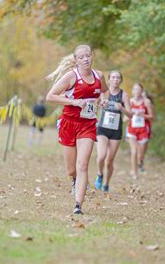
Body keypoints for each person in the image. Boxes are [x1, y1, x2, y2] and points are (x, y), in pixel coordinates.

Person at [46, 45, 108, 214]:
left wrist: (103, 100)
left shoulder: (99, 76)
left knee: (83, 164)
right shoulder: (71, 76)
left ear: (92, 56)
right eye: (81, 57)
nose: (86, 59)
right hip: (69, 123)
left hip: (87, 125)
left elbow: (105, 91)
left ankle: (78, 205)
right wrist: (73, 102)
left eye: (88, 55)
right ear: (76, 60)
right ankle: (74, 179)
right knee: (72, 169)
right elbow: (50, 96)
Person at [94, 70, 132, 192]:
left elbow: (131, 115)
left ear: (120, 80)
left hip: (116, 131)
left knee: (109, 161)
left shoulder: (124, 95)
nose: (115, 79)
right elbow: (94, 106)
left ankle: (106, 184)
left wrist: (122, 108)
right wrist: (100, 105)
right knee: (101, 156)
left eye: (118, 78)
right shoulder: (104, 93)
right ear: (109, 80)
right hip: (102, 129)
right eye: (113, 77)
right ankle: (100, 174)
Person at [126, 83, 153, 179]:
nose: (136, 91)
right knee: (134, 151)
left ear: (141, 91)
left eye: (138, 89)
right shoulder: (129, 101)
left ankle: (140, 161)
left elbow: (151, 117)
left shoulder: (146, 102)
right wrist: (127, 117)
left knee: (141, 153)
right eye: (135, 89)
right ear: (132, 91)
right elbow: (125, 116)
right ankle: (134, 172)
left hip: (143, 129)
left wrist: (141, 115)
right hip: (132, 129)